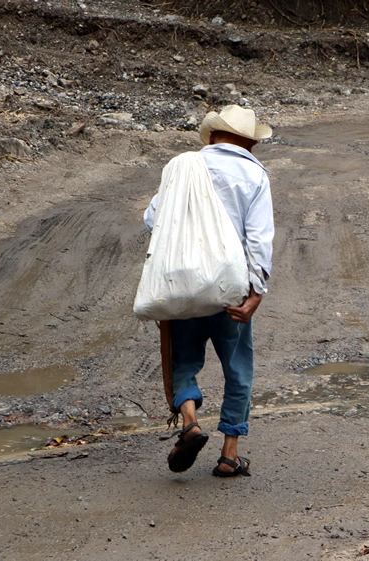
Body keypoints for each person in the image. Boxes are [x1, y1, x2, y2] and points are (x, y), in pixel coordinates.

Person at [143, 105, 274, 477]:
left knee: (184, 361)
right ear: (249, 142)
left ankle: (190, 421)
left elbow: (152, 219)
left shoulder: (183, 167)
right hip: (231, 288)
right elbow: (259, 239)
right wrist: (256, 293)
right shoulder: (253, 174)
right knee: (238, 370)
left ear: (214, 136)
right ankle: (229, 455)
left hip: (183, 283)